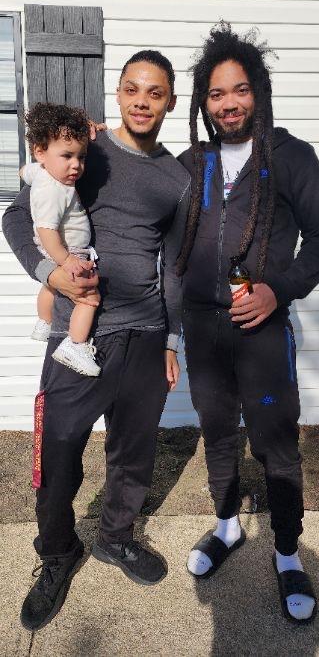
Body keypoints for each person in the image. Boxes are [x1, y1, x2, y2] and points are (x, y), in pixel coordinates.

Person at [2, 50, 191, 631]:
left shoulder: (179, 179)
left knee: (134, 452)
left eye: (154, 92)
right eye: (131, 88)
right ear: (117, 93)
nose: (141, 100)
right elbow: (16, 217)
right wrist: (50, 273)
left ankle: (114, 536)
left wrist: (171, 340)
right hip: (78, 336)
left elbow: (175, 264)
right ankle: (58, 554)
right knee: (58, 453)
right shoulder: (86, 149)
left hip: (145, 332)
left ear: (169, 103)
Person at [176, 22, 319, 623]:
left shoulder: (292, 155)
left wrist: (280, 290)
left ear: (259, 92)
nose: (228, 104)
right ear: (203, 103)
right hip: (202, 328)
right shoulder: (194, 162)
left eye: (239, 90)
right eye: (216, 95)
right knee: (217, 432)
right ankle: (226, 527)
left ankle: (288, 552)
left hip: (262, 328)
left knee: (275, 442)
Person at [21, 103, 101, 377]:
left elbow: (25, 172)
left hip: (55, 251)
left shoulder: (41, 172)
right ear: (41, 151)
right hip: (69, 251)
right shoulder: (57, 190)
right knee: (89, 297)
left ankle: (44, 322)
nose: (76, 165)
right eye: (67, 156)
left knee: (51, 287)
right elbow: (46, 229)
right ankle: (75, 345)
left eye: (81, 157)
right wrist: (66, 261)